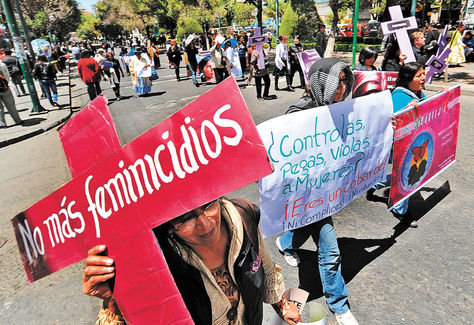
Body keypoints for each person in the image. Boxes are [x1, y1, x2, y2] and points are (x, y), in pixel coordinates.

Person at [83, 198, 302, 325]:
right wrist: (114, 300)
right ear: (166, 224)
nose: (206, 225)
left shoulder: (242, 217)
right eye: (184, 218)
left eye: (208, 205)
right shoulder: (152, 259)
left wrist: (283, 306)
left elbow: (265, 266)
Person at [276, 58, 359, 325]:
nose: (343, 88)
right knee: (330, 250)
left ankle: (286, 242)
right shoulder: (298, 113)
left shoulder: (339, 110)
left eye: (345, 81)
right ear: (324, 83)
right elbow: (282, 153)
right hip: (306, 196)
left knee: (305, 229)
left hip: (326, 193)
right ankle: (339, 305)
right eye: (339, 82)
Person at [369, 62, 427, 228]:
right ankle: (401, 210)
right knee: (407, 176)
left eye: (424, 74)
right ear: (408, 78)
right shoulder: (399, 96)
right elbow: (393, 124)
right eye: (419, 75)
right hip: (403, 147)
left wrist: (440, 97)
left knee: (402, 175)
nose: (423, 78)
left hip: (417, 144)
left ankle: (373, 184)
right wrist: (407, 111)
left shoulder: (418, 92)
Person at [0, 61, 23, 127]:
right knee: (11, 105)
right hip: (5, 88)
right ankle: (18, 120)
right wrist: (6, 83)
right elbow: (7, 75)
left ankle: (2, 124)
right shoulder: (2, 65)